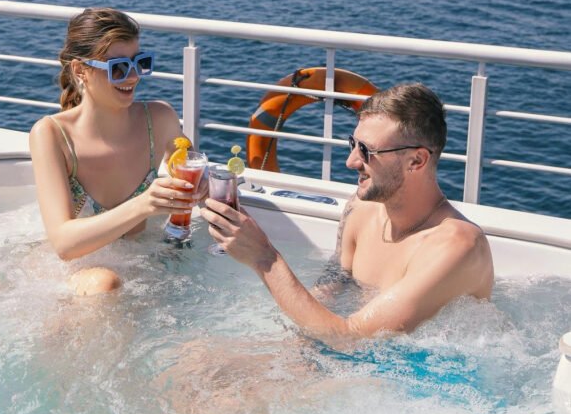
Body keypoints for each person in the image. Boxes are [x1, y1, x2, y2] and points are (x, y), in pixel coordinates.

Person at [201, 83, 494, 346]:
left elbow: (353, 339)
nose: (351, 161)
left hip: (420, 381)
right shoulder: (362, 206)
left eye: (366, 151)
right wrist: (294, 348)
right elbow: (335, 279)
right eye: (353, 144)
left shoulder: (457, 245)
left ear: (416, 160)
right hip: (356, 361)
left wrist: (264, 258)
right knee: (197, 360)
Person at [30, 7, 203, 295]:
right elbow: (63, 244)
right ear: (80, 70)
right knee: (105, 284)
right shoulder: (52, 135)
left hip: (139, 263)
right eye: (118, 68)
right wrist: (145, 204)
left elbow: (189, 167)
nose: (133, 76)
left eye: (139, 63)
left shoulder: (158, 119)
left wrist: (202, 186)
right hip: (75, 274)